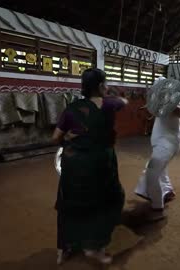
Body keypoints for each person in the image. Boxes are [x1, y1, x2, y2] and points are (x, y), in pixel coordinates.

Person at [52, 68, 128, 264]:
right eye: (106, 83)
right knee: (111, 200)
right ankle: (94, 246)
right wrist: (111, 93)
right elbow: (125, 101)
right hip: (100, 164)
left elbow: (55, 138)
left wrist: (71, 137)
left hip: (73, 164)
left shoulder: (71, 108)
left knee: (69, 203)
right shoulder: (111, 103)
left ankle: (63, 249)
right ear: (102, 85)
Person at [135, 77, 180, 221]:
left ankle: (157, 207)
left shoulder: (176, 96)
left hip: (168, 144)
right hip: (161, 142)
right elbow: (156, 110)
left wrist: (165, 102)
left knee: (151, 172)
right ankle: (168, 192)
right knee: (161, 169)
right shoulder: (160, 97)